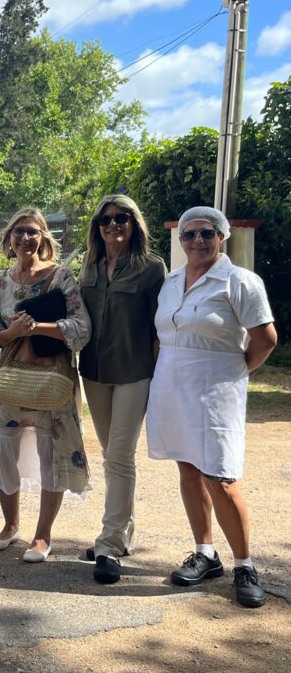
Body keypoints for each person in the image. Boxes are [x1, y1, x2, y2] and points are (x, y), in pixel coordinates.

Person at [146, 206, 277, 608]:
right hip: (172, 385)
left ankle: (244, 564)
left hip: (216, 390)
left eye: (207, 233)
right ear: (181, 240)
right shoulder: (169, 282)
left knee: (220, 477)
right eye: (190, 234)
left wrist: (234, 372)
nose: (198, 241)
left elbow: (265, 339)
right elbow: (162, 336)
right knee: (187, 466)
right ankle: (205, 554)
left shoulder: (240, 282)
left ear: (223, 237)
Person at [0, 209, 91, 563]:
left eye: (32, 231)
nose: (24, 238)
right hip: (12, 375)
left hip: (51, 376)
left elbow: (81, 327)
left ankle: (43, 535)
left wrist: (37, 327)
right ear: (8, 238)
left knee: (52, 454)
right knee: (0, 449)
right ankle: (10, 525)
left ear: (44, 237)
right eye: (18, 231)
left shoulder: (61, 276)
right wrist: (13, 332)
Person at [78, 195, 166, 584]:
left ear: (135, 224)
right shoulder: (87, 264)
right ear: (97, 227)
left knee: (120, 455)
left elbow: (158, 328)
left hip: (134, 373)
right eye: (106, 220)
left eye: (122, 218)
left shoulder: (152, 268)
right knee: (110, 456)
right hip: (94, 372)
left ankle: (109, 544)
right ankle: (123, 533)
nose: (113, 225)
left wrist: (160, 375)